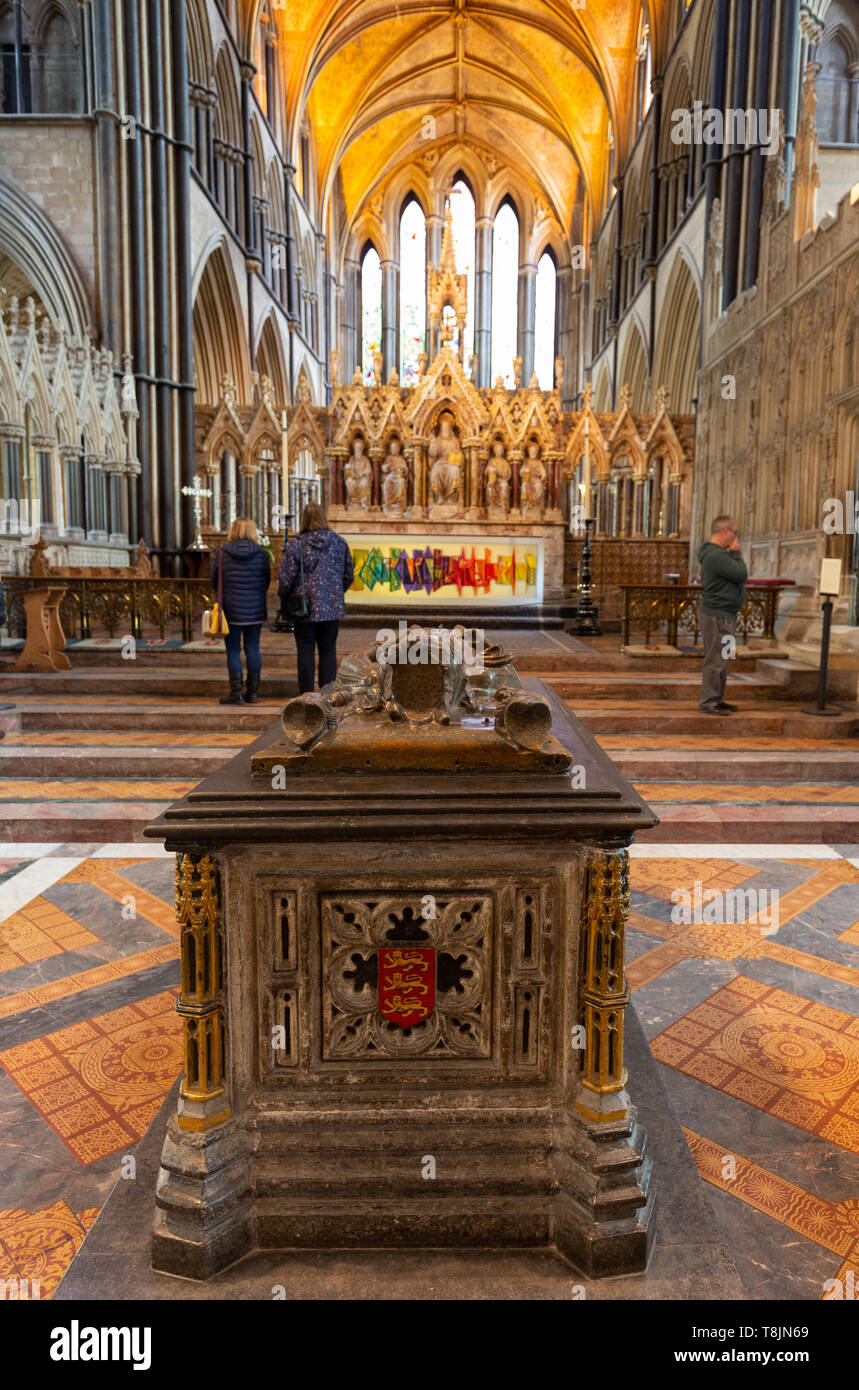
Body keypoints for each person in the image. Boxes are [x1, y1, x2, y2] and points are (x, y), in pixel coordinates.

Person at [279, 502, 354, 693]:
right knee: (328, 650)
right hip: (332, 606)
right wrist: (336, 592)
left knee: (305, 650)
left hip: (304, 606)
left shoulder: (296, 545)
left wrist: (286, 596)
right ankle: (327, 694)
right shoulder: (339, 542)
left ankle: (305, 696)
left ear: (303, 519)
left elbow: (286, 578)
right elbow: (348, 575)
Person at [210, 517, 271, 705]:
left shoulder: (222, 553)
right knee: (253, 647)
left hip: (230, 609)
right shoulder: (261, 554)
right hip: (254, 608)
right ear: (253, 531)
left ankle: (236, 694)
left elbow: (214, 580)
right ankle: (253, 694)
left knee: (233, 650)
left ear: (233, 530)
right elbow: (266, 581)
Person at [697, 514, 747, 715]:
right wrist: (736, 554)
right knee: (715, 659)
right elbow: (740, 574)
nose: (736, 538)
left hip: (726, 614)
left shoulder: (719, 554)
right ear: (725, 531)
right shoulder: (716, 556)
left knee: (723, 658)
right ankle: (709, 700)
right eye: (735, 532)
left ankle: (718, 698)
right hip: (717, 615)